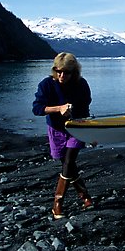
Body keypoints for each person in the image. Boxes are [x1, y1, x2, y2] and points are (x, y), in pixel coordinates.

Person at [32, 52, 93, 219]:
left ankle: (57, 203)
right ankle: (85, 196)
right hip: (56, 129)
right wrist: (58, 108)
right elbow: (37, 108)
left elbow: (85, 109)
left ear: (74, 72)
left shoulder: (81, 85)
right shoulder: (46, 85)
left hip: (76, 128)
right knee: (68, 166)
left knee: (69, 161)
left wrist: (92, 133)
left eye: (66, 72)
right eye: (58, 71)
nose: (61, 75)